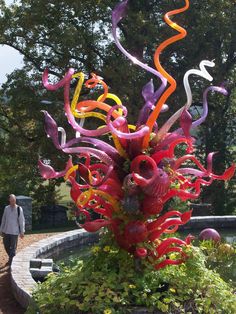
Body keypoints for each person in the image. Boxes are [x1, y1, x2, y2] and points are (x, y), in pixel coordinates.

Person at [0, 194, 25, 265]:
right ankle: (12, 256)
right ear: (9, 200)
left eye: (14, 200)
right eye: (11, 200)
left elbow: (21, 220)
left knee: (13, 247)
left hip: (14, 232)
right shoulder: (6, 208)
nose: (13, 202)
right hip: (6, 231)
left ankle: (11, 261)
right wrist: (1, 229)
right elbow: (3, 219)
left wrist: (22, 232)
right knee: (6, 245)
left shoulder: (19, 209)